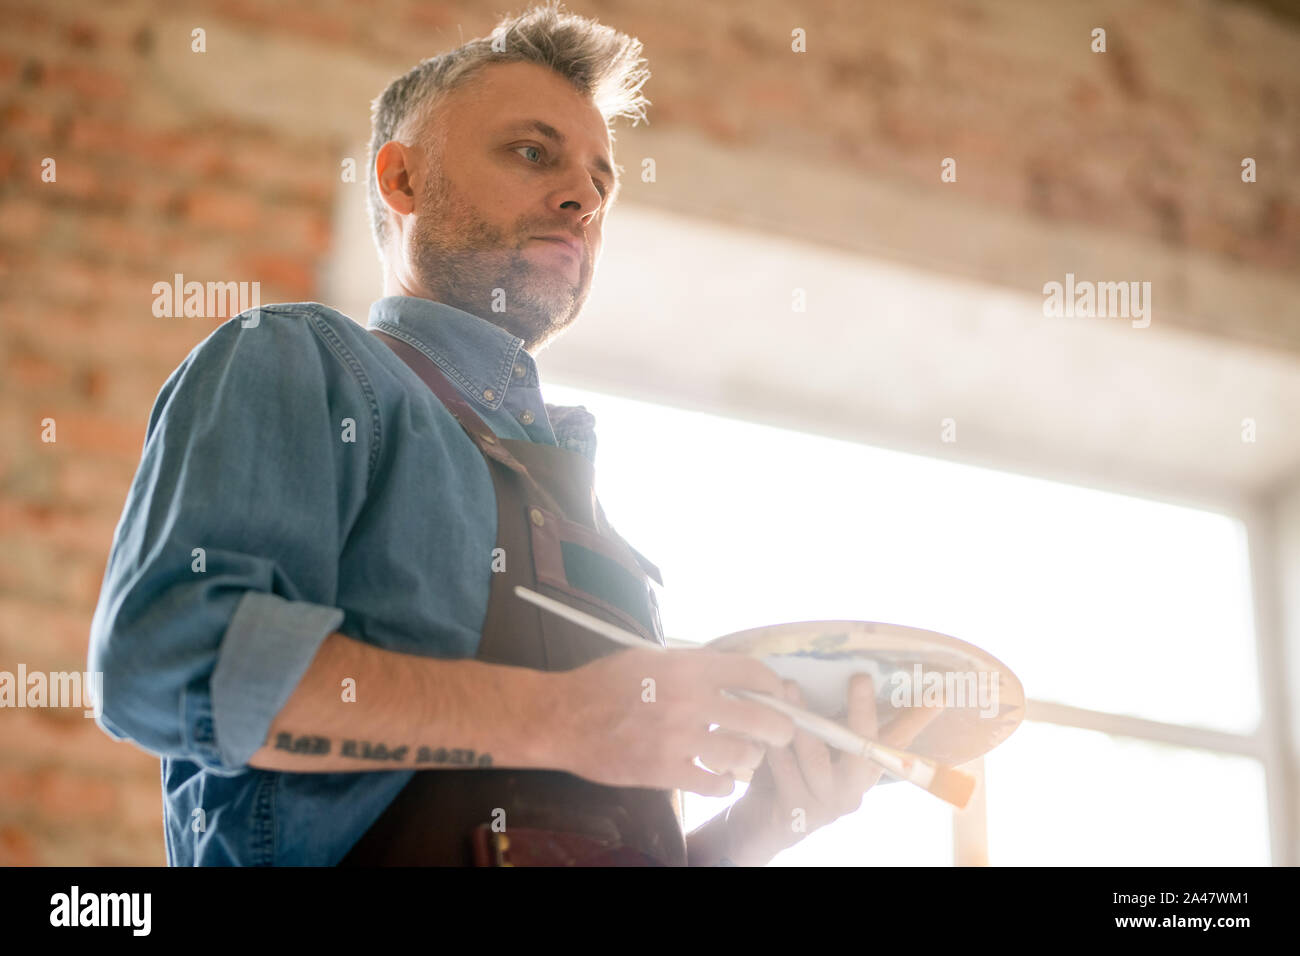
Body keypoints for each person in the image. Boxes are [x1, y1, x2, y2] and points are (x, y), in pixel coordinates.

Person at [88, 1, 939, 866]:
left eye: (600, 183)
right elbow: (165, 662)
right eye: (531, 153)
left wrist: (761, 826)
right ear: (402, 181)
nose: (581, 198)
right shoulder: (296, 361)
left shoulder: (605, 532)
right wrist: (568, 719)